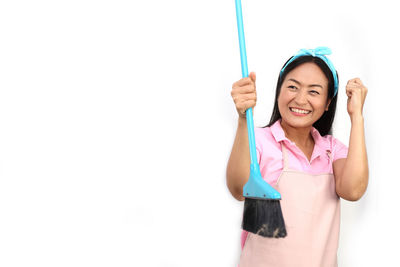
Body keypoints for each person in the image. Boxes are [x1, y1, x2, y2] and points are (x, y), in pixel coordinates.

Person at [226, 47, 369, 267]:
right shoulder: (258, 141)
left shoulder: (332, 151)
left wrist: (357, 116)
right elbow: (238, 189)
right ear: (279, 91)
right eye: (292, 87)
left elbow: (353, 190)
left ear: (328, 103)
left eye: (314, 91)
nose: (300, 99)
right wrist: (244, 120)